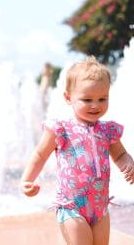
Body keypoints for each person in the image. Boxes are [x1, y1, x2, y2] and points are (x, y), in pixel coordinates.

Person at [20, 56, 134, 245]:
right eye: (87, 99)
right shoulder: (61, 129)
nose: (95, 105)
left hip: (100, 207)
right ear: (68, 97)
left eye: (102, 98)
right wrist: (27, 179)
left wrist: (128, 163)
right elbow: (40, 154)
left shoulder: (108, 131)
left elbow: (120, 154)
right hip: (71, 206)